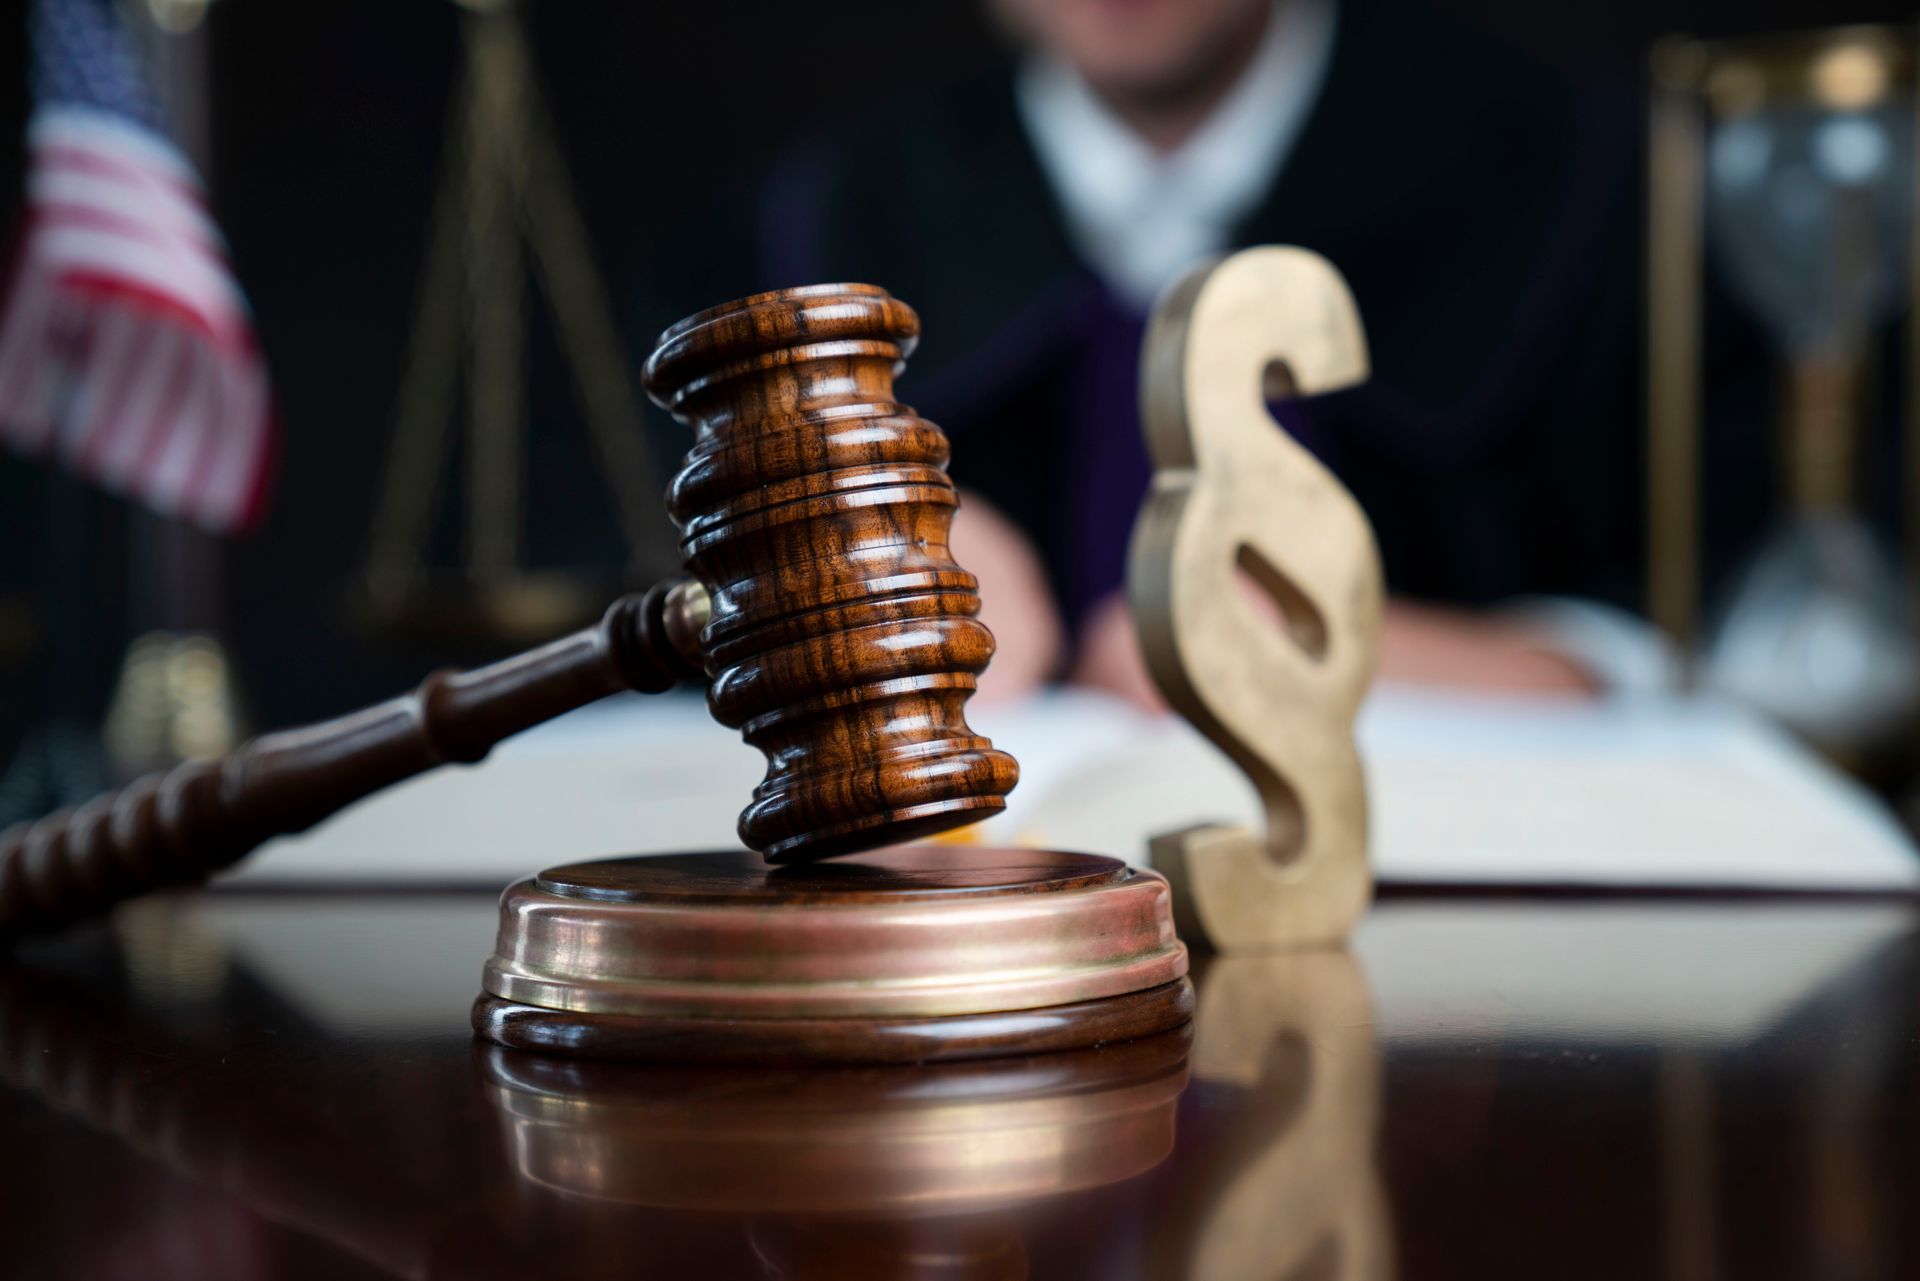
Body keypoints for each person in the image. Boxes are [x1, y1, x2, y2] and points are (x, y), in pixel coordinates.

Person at [639, 0, 1656, 705]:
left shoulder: (1575, 186)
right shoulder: (826, 219)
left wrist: (1513, 666)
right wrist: (818, 571)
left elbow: (1707, 599)